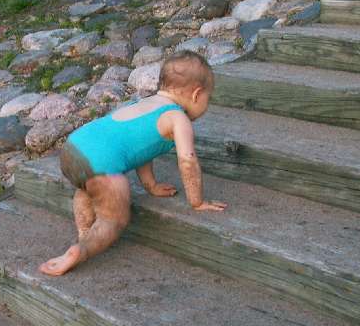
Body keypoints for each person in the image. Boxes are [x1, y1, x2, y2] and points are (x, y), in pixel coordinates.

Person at [40, 52, 227, 276]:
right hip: (102, 164)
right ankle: (81, 251)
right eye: (208, 98)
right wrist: (197, 201)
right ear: (197, 94)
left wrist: (151, 185)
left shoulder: (143, 102)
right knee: (114, 219)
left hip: (74, 147)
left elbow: (143, 151)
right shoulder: (178, 118)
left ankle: (84, 233)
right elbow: (188, 161)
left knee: (87, 188)